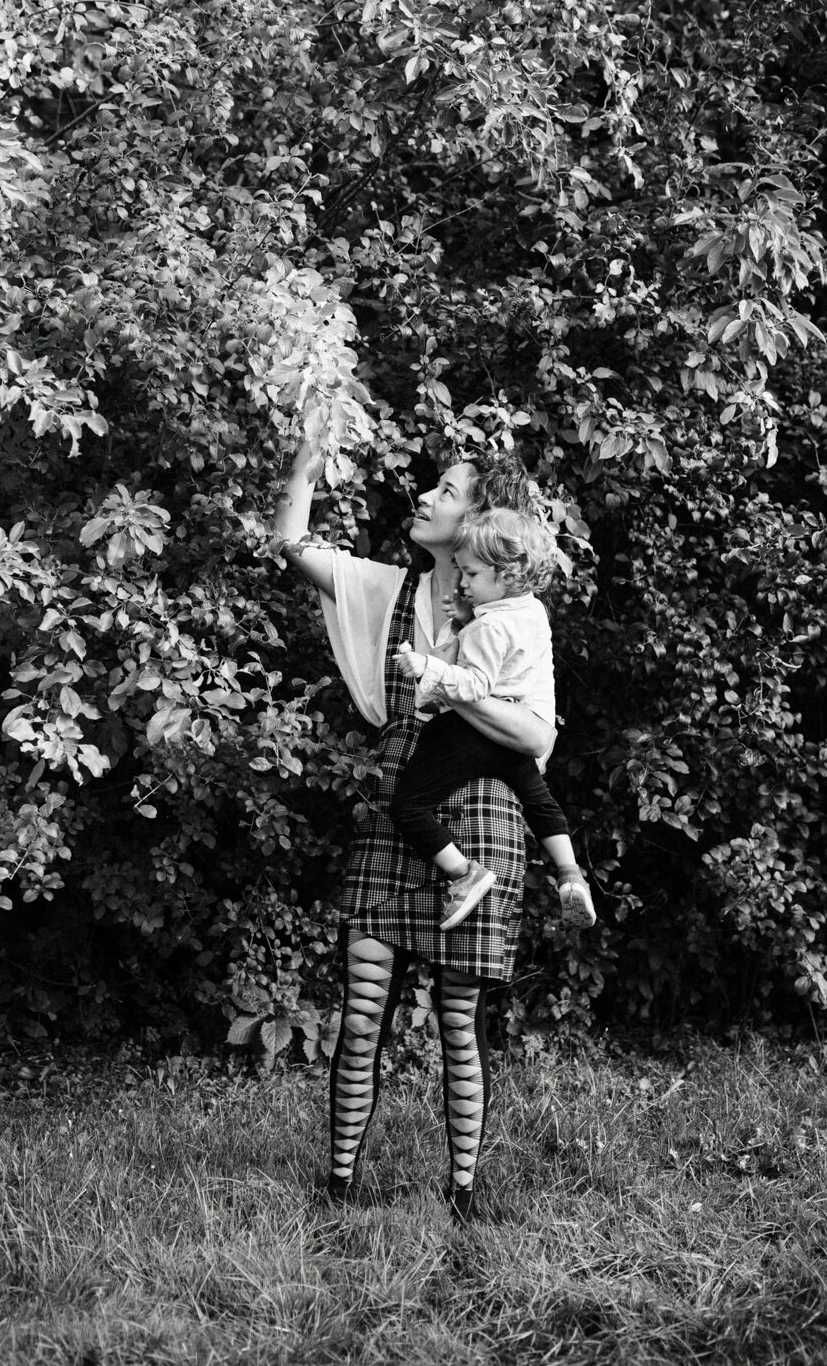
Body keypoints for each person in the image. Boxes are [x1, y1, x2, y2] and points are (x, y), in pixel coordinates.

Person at [274, 440, 557, 1223]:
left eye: (446, 488)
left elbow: (536, 740)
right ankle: (338, 1189)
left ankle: (462, 1196)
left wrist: (450, 689)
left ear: (480, 517)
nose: (427, 496)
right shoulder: (390, 588)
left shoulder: (508, 612)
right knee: (361, 1006)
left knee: (456, 1021)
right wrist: (302, 464)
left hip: (485, 798)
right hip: (404, 793)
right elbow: (291, 546)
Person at [390, 506, 596, 933]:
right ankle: (570, 873)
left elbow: (474, 686)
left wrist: (426, 667)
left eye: (471, 574)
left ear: (508, 574)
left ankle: (465, 872)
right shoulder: (530, 610)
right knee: (538, 800)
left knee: (408, 806)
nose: (462, 583)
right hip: (515, 734)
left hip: (471, 735)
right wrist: (466, 619)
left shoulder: (490, 629)